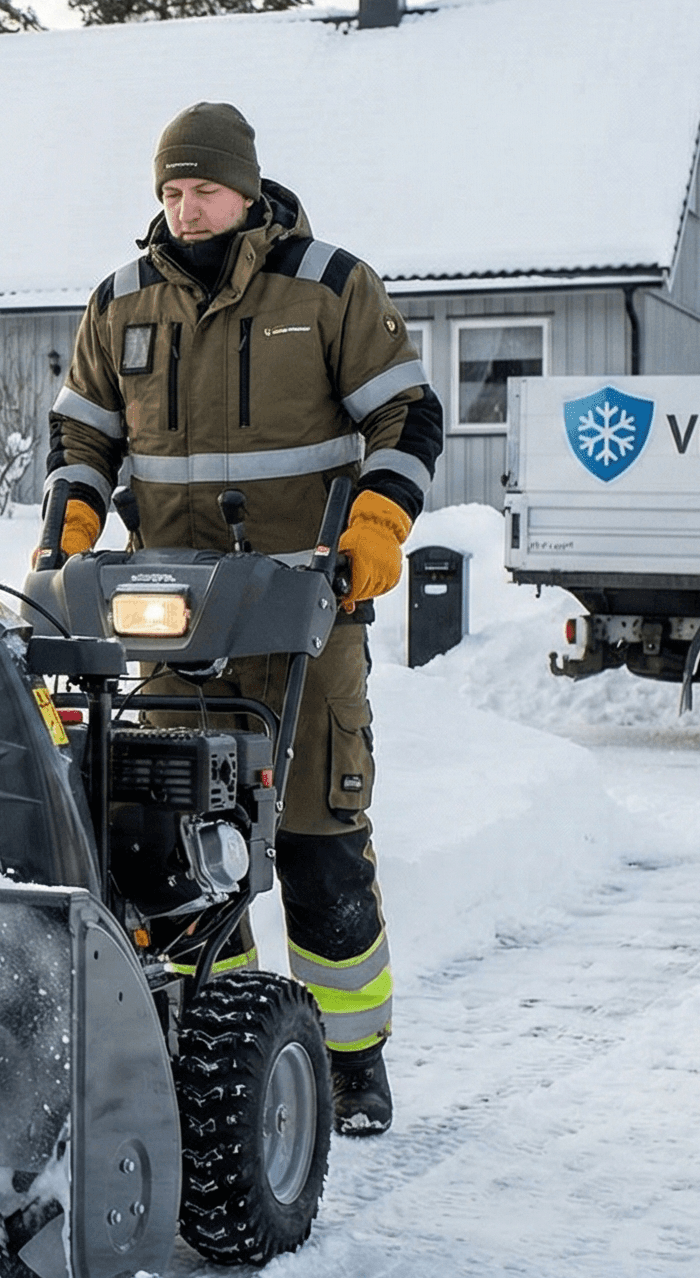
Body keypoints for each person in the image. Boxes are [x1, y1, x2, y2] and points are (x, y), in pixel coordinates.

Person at [37, 101, 442, 1135]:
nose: (184, 208)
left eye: (201, 188)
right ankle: (223, 1041)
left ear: (246, 187)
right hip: (168, 618)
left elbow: (405, 415)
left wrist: (375, 529)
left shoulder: (328, 285)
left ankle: (351, 1062)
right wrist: (65, 537)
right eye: (169, 192)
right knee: (175, 844)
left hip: (305, 609)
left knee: (313, 842)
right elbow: (81, 439)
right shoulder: (119, 303)